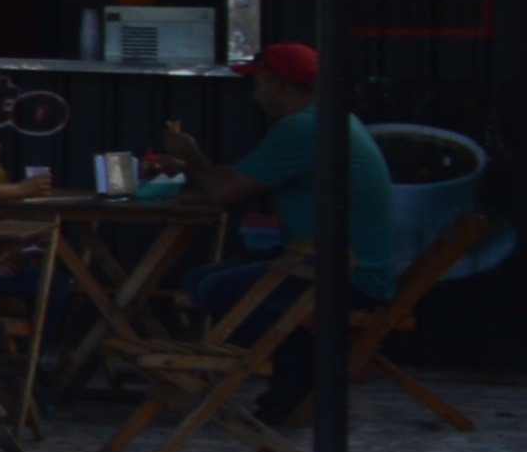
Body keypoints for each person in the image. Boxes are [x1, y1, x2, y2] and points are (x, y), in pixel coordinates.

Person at [149, 38, 404, 423]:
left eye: (260, 85)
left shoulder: (303, 129)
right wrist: (190, 167)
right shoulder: (329, 119)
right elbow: (236, 180)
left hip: (344, 271)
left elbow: (224, 192)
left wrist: (192, 158)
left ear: (281, 86)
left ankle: (299, 373)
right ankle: (296, 374)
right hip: (324, 259)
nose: (256, 97)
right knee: (203, 280)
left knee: (214, 289)